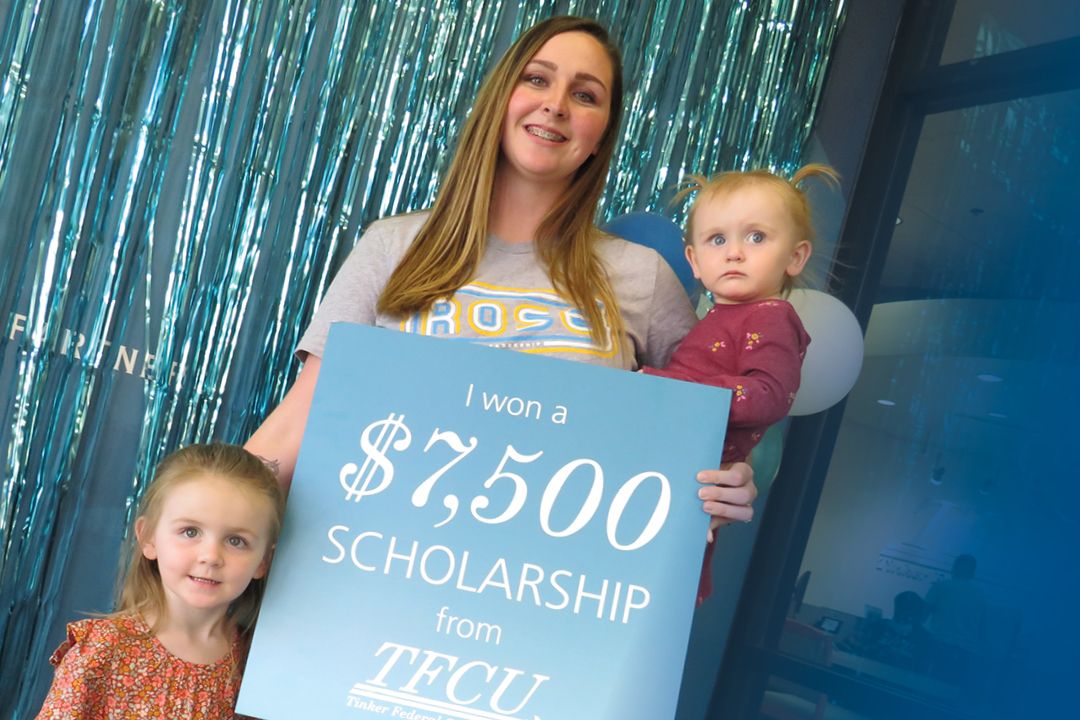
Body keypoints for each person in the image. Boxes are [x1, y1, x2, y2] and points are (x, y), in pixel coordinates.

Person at [245, 15, 757, 529]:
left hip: (540, 592)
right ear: (500, 100)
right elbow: (298, 422)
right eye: (537, 79)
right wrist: (196, 526)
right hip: (370, 577)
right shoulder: (394, 246)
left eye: (585, 95)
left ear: (601, 136)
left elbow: (703, 439)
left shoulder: (642, 276)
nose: (555, 104)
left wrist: (730, 481)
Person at [642, 165, 837, 600]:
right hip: (676, 458)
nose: (734, 252)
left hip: (699, 472)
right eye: (717, 239)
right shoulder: (722, 315)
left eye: (756, 237)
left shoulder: (773, 317)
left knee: (666, 577)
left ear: (795, 257)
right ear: (694, 261)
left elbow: (768, 396)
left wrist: (665, 390)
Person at [36, 443, 285, 719]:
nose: (211, 556)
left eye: (236, 541)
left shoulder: (258, 663)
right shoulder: (101, 651)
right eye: (190, 532)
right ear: (149, 537)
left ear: (263, 561)